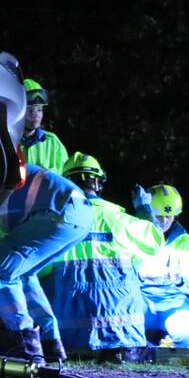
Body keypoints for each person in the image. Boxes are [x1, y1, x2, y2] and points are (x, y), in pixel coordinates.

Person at [46, 152, 164, 355]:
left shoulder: (55, 222)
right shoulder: (118, 219)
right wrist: (144, 208)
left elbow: (39, 269)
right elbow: (156, 241)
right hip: (121, 338)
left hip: (71, 341)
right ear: (97, 183)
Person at [0, 162, 93, 365]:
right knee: (24, 274)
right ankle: (51, 342)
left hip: (57, 212)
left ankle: (25, 344)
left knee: (2, 270)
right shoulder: (4, 166)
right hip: (79, 214)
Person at [136, 184, 189, 348]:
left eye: (169, 216)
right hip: (139, 301)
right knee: (120, 327)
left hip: (173, 304)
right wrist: (140, 275)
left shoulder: (184, 242)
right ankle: (139, 346)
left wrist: (180, 280)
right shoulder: (134, 234)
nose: (164, 221)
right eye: (159, 216)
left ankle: (168, 346)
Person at [19, 78, 69, 174]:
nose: (36, 115)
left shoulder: (53, 144)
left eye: (39, 109)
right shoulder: (9, 140)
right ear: (19, 110)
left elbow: (66, 182)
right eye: (30, 110)